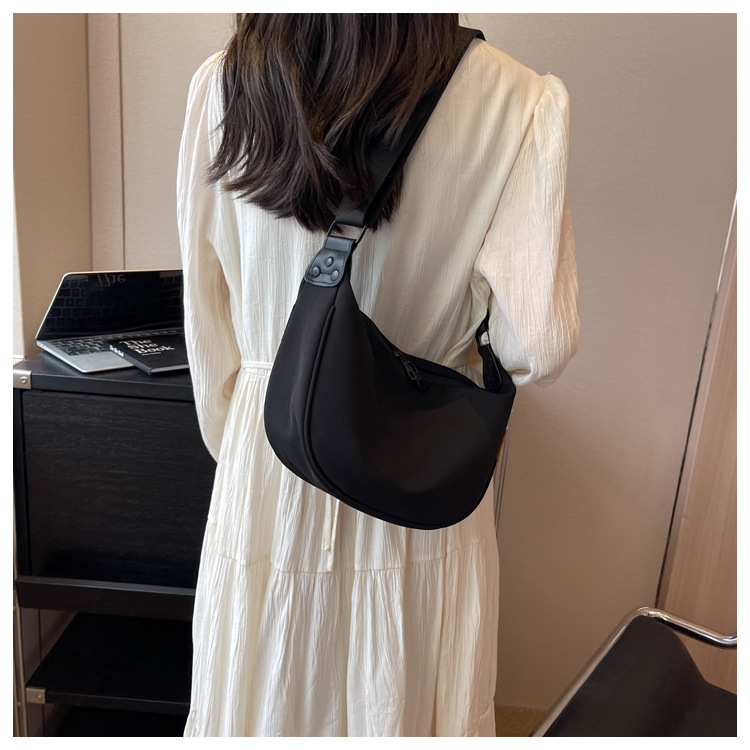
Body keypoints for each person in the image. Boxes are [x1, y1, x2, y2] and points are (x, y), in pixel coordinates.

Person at [177, 13, 579, 737]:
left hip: (267, 473)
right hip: (413, 481)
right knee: (401, 701)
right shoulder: (516, 99)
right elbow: (539, 345)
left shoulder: (225, 85)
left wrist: (250, 445)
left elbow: (207, 333)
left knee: (260, 703)